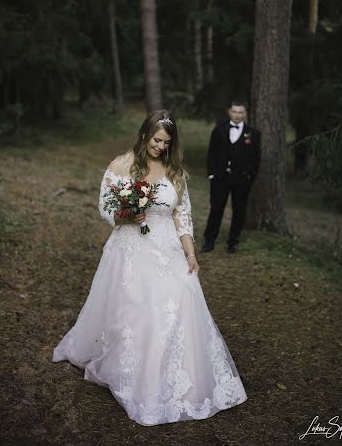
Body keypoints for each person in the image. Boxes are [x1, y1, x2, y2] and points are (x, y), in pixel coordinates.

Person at [53, 109, 247, 426]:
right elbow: (106, 207)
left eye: (166, 142)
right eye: (157, 140)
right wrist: (125, 216)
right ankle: (135, 371)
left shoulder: (174, 172)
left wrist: (190, 253)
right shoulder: (122, 164)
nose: (160, 147)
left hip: (167, 245)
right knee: (140, 306)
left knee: (183, 293)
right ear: (144, 135)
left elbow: (181, 216)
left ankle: (181, 375)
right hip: (132, 245)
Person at [202, 100, 261, 254]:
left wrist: (250, 177)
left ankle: (233, 242)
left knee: (239, 210)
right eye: (234, 112)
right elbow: (211, 154)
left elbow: (256, 158)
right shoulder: (219, 130)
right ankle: (209, 240)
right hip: (220, 178)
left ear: (245, 114)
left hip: (242, 179)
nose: (237, 115)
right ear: (229, 112)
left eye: (240, 112)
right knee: (216, 209)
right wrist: (212, 174)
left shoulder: (253, 134)